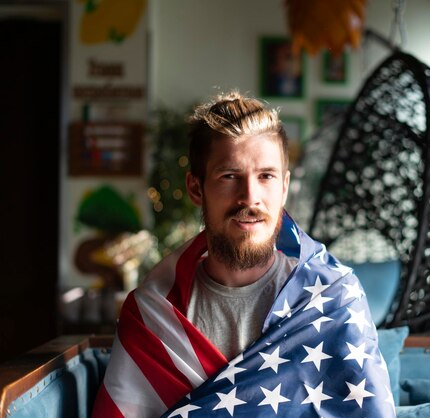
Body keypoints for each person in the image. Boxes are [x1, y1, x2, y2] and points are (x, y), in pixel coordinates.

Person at [92, 91, 395, 417]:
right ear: (196, 188)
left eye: (266, 176)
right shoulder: (153, 316)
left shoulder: (334, 298)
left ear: (284, 187)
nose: (250, 197)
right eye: (230, 176)